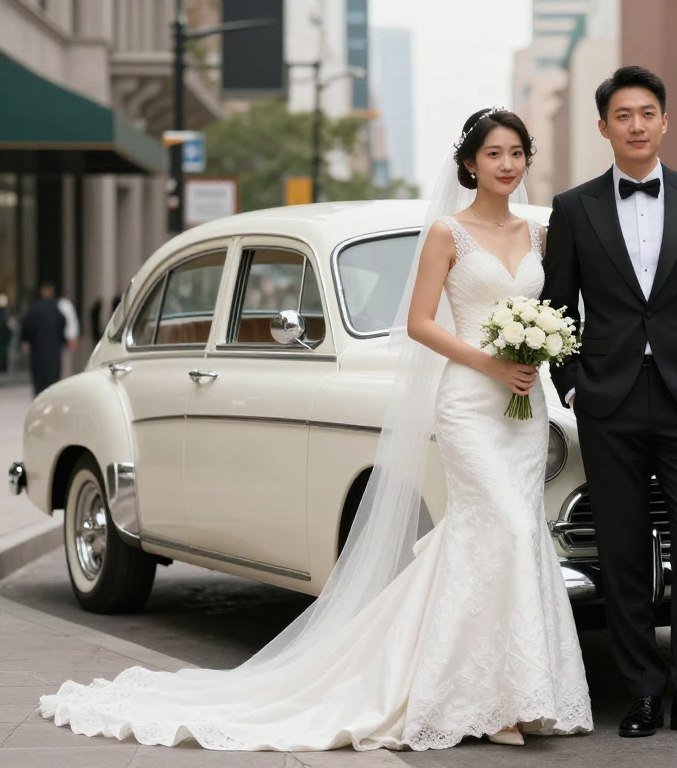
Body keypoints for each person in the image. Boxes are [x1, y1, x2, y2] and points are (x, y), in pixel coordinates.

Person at [38, 107, 592, 751]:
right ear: (470, 163)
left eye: (516, 153)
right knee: (506, 525)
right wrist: (488, 360)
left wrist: (537, 353)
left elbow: (558, 306)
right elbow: (418, 322)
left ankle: (518, 693)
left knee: (505, 535)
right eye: (493, 153)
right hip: (469, 397)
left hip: (524, 406)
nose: (506, 164)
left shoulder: (541, 235)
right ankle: (489, 702)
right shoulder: (447, 232)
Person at [541, 66, 677, 740]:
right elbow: (555, 306)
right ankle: (640, 692)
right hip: (609, 400)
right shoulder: (573, 208)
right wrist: (570, 383)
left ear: (664, 121)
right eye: (623, 115)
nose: (636, 125)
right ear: (604, 127)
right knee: (624, 551)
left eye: (647, 113)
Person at [20, 282, 67, 395]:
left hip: (38, 348)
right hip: (53, 348)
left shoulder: (35, 308)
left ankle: (39, 397)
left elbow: (27, 326)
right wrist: (61, 340)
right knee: (53, 375)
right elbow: (63, 324)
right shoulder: (56, 308)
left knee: (39, 377)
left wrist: (25, 341)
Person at [0, 293, 11, 373]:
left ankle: (3, 367)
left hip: (3, 337)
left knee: (3, 352)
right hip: (3, 337)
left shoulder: (5, 313)